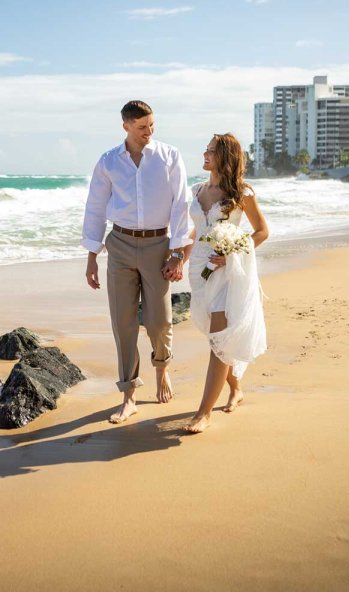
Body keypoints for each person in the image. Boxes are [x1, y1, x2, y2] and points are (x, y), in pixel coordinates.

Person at [82, 100, 192, 424]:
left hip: (159, 244)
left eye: (152, 126)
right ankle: (128, 395)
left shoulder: (169, 157)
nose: (149, 132)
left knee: (158, 321)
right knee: (123, 323)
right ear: (126, 126)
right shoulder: (108, 162)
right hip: (119, 246)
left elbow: (181, 206)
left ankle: (162, 369)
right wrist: (91, 258)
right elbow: (95, 209)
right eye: (142, 127)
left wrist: (177, 253)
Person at [185, 133, 269, 434]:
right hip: (199, 270)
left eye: (211, 151)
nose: (205, 155)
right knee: (215, 338)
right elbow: (193, 233)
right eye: (205, 150)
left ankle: (204, 412)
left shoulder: (242, 193)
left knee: (219, 337)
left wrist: (233, 251)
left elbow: (261, 231)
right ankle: (236, 388)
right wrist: (177, 258)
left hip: (227, 271)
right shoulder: (196, 190)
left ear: (225, 156)